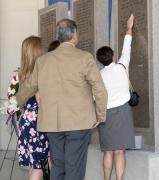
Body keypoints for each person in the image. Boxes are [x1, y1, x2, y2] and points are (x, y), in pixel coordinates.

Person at [16, 19, 108, 180]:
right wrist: (100, 115)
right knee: (75, 167)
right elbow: (99, 89)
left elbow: (27, 88)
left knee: (58, 166)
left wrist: (18, 102)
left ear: (59, 37)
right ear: (74, 35)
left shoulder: (43, 61)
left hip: (52, 124)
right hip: (78, 122)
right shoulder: (84, 58)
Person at [96, 14, 135, 180]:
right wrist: (129, 28)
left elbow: (95, 97)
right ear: (112, 56)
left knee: (108, 151)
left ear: (99, 60)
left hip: (105, 115)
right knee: (120, 150)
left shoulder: (97, 76)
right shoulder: (121, 66)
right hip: (123, 113)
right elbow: (127, 47)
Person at [17, 36, 49, 180]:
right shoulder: (38, 74)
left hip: (27, 121)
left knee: (33, 164)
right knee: (38, 167)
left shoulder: (24, 72)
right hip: (38, 122)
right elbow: (40, 100)